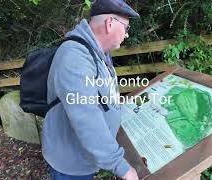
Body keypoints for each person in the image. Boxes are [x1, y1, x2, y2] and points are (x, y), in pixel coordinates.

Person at [41, 0, 140, 180]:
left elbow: (104, 98)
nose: (126, 35)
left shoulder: (98, 53)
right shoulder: (75, 56)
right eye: (126, 28)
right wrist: (120, 166)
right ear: (110, 24)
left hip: (85, 157)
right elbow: (86, 116)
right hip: (71, 164)